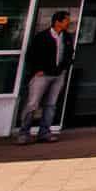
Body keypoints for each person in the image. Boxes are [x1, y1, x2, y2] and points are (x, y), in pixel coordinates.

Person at [17, 10, 75, 143]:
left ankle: (44, 132)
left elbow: (69, 54)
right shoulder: (42, 36)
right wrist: (37, 70)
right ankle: (23, 133)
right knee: (32, 104)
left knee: (51, 105)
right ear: (57, 22)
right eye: (66, 20)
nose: (68, 23)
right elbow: (31, 55)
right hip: (42, 75)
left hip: (58, 75)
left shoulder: (66, 37)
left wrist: (64, 68)